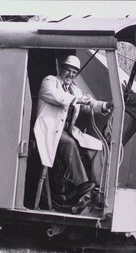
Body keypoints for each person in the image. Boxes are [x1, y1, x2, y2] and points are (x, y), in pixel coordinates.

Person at [34, 55, 113, 203]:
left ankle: (96, 184)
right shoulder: (50, 81)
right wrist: (77, 100)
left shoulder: (75, 90)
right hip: (50, 130)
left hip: (67, 131)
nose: (70, 75)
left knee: (98, 146)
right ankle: (82, 184)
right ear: (62, 69)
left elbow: (89, 103)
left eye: (74, 73)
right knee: (69, 143)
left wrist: (105, 105)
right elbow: (57, 97)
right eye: (68, 71)